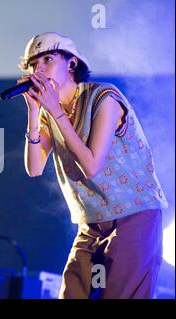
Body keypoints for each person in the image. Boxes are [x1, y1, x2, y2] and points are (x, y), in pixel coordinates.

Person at [17, 32, 168, 299]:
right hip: (91, 225)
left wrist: (54, 112)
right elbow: (34, 167)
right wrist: (33, 112)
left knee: (116, 294)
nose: (37, 70)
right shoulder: (48, 111)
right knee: (75, 293)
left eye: (47, 59)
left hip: (133, 217)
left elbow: (91, 165)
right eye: (32, 64)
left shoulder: (104, 97)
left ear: (71, 63)